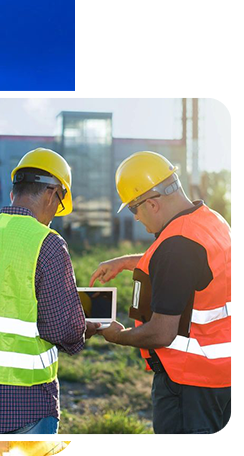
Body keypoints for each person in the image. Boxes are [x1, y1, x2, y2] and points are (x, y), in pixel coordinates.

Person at [0, 148, 100, 434]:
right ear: (51, 193)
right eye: (59, 205)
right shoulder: (48, 243)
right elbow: (63, 328)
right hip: (27, 405)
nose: (55, 214)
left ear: (13, 194)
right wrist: (85, 327)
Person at [91, 151, 231, 434]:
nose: (137, 217)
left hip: (190, 384)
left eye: (133, 208)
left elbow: (161, 333)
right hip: (224, 375)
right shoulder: (210, 220)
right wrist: (128, 262)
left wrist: (116, 335)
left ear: (152, 203)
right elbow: (189, 268)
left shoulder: (176, 246)